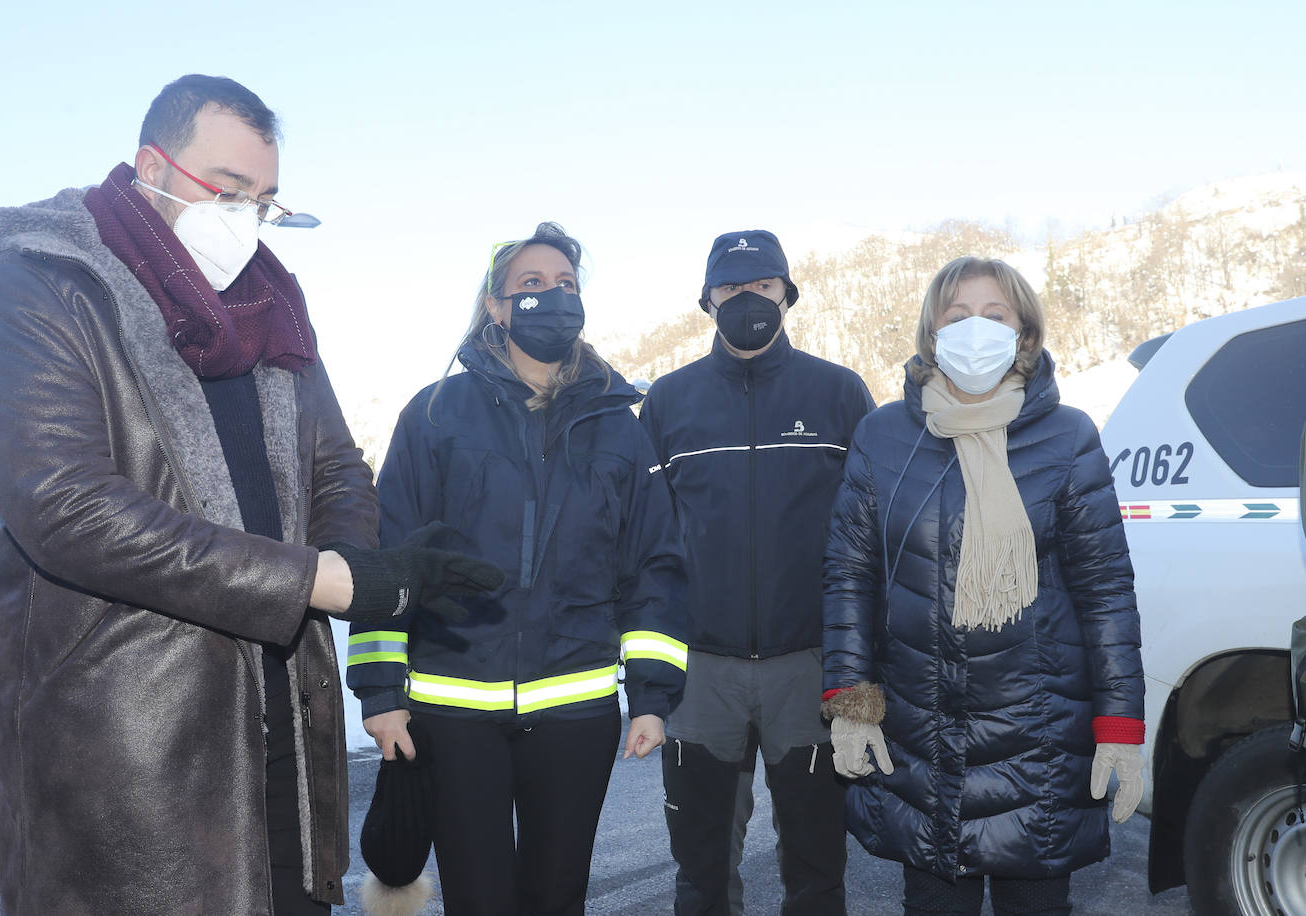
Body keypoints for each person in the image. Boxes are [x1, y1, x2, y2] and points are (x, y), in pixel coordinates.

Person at [0, 74, 499, 915]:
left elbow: (333, 465)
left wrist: (355, 558)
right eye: (229, 191)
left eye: (266, 200)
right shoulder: (33, 290)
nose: (245, 218)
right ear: (150, 167)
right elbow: (69, 509)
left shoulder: (270, 305)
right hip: (128, 748)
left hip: (282, 726)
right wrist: (314, 582)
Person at [348, 222, 689, 916]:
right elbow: (388, 561)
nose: (554, 297)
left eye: (566, 285)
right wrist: (382, 695)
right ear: (496, 306)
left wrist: (652, 696)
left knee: (556, 897)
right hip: (454, 707)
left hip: (576, 707)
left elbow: (653, 564)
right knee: (478, 900)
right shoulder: (435, 414)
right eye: (531, 284)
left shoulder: (621, 426)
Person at [821, 256, 1145, 915]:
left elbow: (1105, 591)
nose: (975, 330)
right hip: (923, 739)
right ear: (931, 332)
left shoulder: (1066, 436)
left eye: (994, 316)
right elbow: (850, 583)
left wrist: (1120, 726)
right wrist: (853, 709)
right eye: (957, 315)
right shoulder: (884, 436)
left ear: (1024, 333)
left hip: (1043, 741)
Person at [640, 229, 876, 915]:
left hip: (812, 666)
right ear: (708, 300)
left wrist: (864, 699)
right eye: (733, 288)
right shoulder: (667, 402)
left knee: (818, 865)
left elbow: (872, 550)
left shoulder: (838, 393)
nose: (749, 299)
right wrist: (650, 688)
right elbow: (647, 546)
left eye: (763, 286)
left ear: (787, 294)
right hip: (700, 672)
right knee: (702, 871)